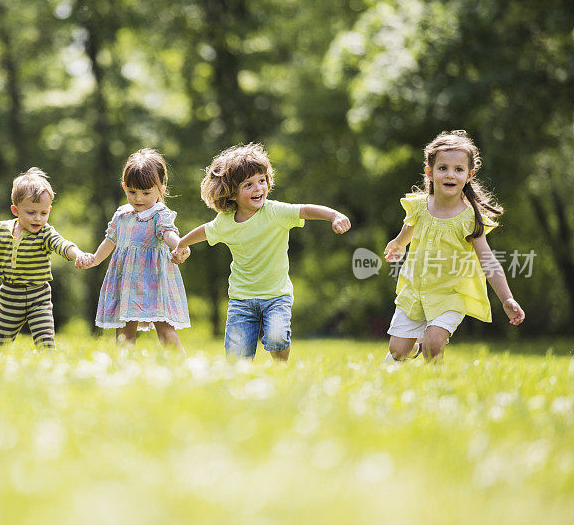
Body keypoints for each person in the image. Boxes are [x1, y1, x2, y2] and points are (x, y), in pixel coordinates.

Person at [171, 143, 351, 361]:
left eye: (262, 180)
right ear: (232, 193)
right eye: (248, 184)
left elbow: (305, 210)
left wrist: (334, 216)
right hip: (241, 299)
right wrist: (182, 244)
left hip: (276, 296)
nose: (258, 188)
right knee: (236, 358)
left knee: (277, 338)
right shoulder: (225, 222)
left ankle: (281, 368)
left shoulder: (275, 211)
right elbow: (205, 232)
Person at [383, 130, 525, 362]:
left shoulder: (470, 218)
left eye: (458, 169)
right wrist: (398, 244)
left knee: (434, 342)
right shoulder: (419, 207)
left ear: (469, 175)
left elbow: (488, 261)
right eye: (443, 168)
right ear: (429, 172)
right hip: (416, 289)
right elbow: (407, 231)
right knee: (397, 351)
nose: (450, 174)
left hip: (451, 293)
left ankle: (435, 381)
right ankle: (413, 351)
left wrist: (506, 298)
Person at [79, 149, 190, 353]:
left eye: (146, 193)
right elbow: (110, 241)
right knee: (124, 331)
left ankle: (181, 367)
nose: (139, 198)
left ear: (161, 189)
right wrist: (95, 259)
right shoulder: (122, 215)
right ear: (124, 187)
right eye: (132, 192)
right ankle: (123, 368)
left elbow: (168, 234)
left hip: (154, 280)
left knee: (165, 328)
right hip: (127, 280)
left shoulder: (159, 214)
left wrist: (180, 245)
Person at [0, 168, 89, 350]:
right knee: (0, 345)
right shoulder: (1, 229)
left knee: (45, 342)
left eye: (44, 213)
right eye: (31, 212)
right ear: (15, 210)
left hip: (39, 297)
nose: (38, 218)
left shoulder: (45, 232)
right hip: (9, 297)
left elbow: (61, 244)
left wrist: (78, 254)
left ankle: (49, 369)